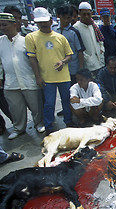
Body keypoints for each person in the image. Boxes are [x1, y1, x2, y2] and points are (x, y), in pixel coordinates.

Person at [26, 7, 74, 136]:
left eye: (45, 21)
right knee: (49, 103)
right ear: (36, 23)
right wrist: (38, 76)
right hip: (46, 77)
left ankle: (68, 122)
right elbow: (32, 59)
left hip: (63, 75)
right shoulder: (31, 37)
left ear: (51, 21)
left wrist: (62, 62)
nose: (43, 24)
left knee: (66, 100)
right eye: (40, 22)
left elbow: (69, 55)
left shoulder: (60, 37)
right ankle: (49, 125)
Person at [0, 13, 44, 140]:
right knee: (15, 107)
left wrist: (38, 76)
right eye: (0, 25)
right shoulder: (1, 42)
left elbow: (35, 60)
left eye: (5, 25)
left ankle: (39, 123)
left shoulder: (26, 40)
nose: (2, 28)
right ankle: (19, 128)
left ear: (14, 25)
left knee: (35, 105)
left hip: (28, 79)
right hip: (11, 81)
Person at [53, 5, 85, 86]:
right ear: (58, 16)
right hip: (57, 68)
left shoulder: (74, 32)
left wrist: (81, 69)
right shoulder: (53, 30)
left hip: (73, 68)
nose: (66, 20)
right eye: (63, 17)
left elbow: (80, 51)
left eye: (68, 18)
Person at [73, 2, 105, 77]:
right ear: (79, 13)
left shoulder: (94, 25)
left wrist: (101, 49)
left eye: (88, 14)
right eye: (84, 14)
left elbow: (100, 41)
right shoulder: (76, 28)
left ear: (91, 13)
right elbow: (78, 48)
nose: (87, 16)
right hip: (88, 65)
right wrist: (87, 58)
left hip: (99, 62)